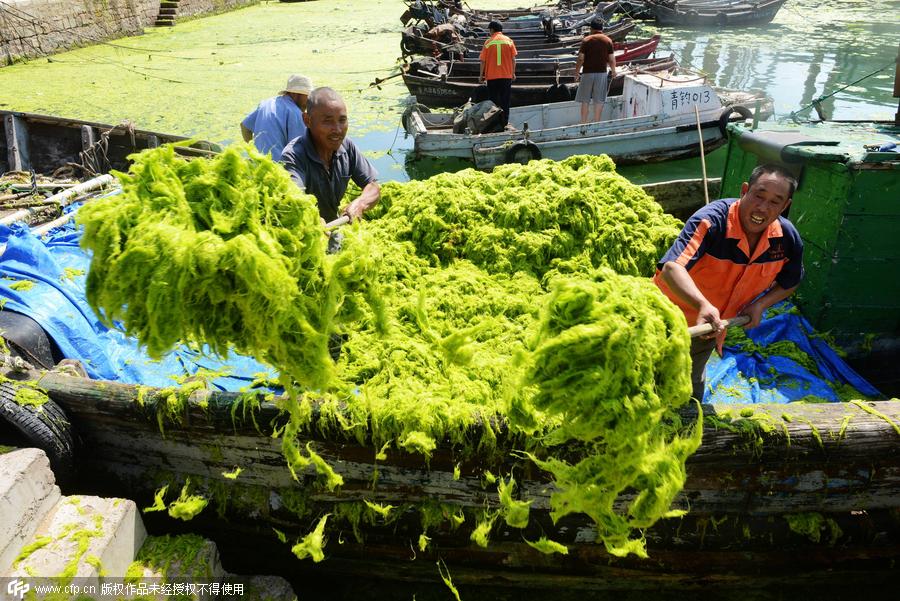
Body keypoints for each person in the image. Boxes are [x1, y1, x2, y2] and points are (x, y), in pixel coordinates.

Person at [654, 164, 804, 401]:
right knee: (643, 384)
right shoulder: (711, 221)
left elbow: (791, 281)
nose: (763, 208)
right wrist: (702, 304)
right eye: (758, 195)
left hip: (707, 331)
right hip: (663, 322)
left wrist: (760, 305)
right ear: (745, 190)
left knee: (687, 396)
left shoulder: (786, 239)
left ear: (785, 206)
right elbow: (672, 268)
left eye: (775, 202)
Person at [280, 87, 380, 223]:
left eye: (342, 120)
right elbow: (295, 203)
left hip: (334, 227)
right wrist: (313, 220)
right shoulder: (293, 156)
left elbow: (373, 187)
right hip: (306, 235)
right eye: (328, 121)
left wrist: (359, 204)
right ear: (307, 120)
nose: (338, 130)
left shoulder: (346, 146)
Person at [241, 74, 313, 162]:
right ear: (295, 94)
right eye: (308, 96)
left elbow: (244, 126)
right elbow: (299, 151)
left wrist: (252, 152)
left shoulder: (265, 104)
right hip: (279, 169)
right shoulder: (295, 112)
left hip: (258, 163)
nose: (309, 101)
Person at [574, 19, 616, 124]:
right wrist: (614, 71)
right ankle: (597, 123)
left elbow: (580, 58)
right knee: (599, 100)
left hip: (587, 73)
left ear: (591, 29)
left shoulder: (586, 40)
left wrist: (576, 72)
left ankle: (583, 123)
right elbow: (611, 59)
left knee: (585, 100)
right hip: (601, 73)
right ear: (602, 29)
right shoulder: (608, 41)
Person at [478, 21, 517, 127]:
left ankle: (494, 123)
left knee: (493, 102)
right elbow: (513, 60)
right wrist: (513, 73)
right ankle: (505, 122)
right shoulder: (509, 41)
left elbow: (483, 61)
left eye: (489, 30)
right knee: (505, 100)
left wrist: (481, 76)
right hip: (506, 76)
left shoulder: (488, 42)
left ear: (492, 30)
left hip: (492, 77)